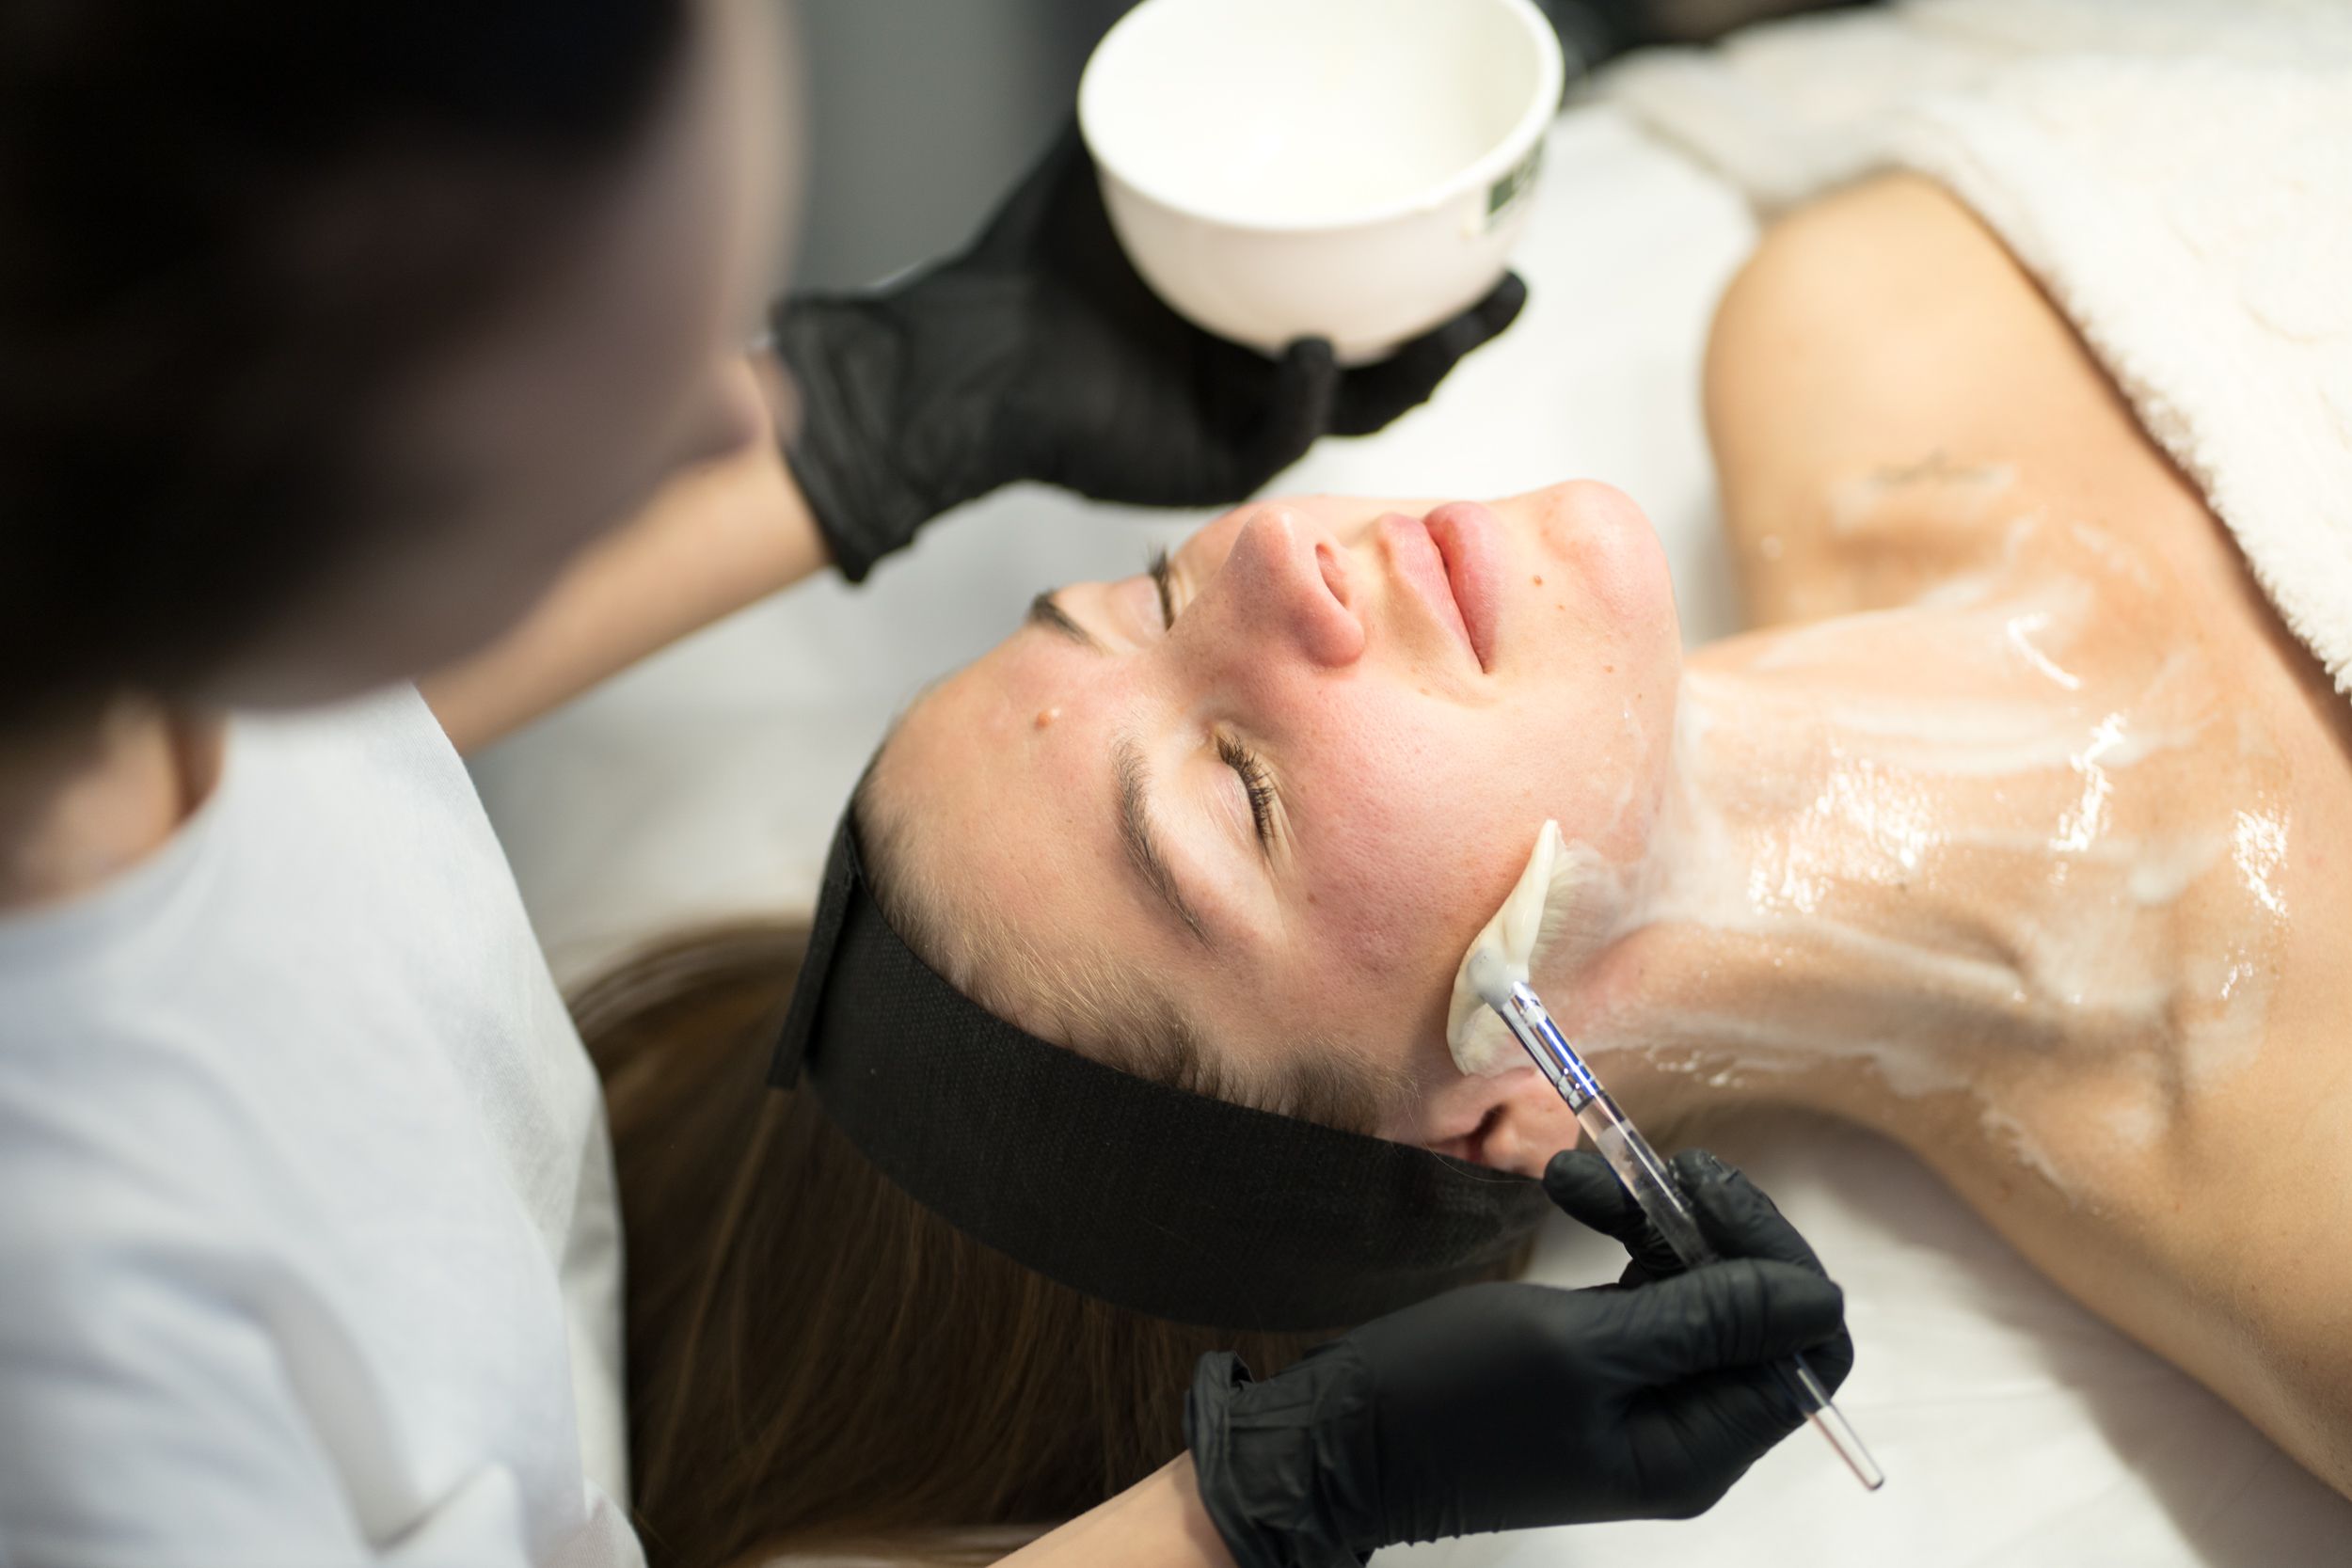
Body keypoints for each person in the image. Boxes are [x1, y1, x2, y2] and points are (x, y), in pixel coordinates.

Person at [0, 2, 1851, 1564]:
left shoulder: (106, 657)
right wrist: (1247, 1513)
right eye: (1237, 797)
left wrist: (889, 409)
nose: (730, 422)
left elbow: (314, 734)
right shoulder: (108, 1394)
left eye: (1131, 594)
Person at [582, 163, 2352, 1559]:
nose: (1280, 561)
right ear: (1505, 1112)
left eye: (1152, 597)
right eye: (1241, 793)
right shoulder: (2314, 1243)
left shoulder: (1865, 323)